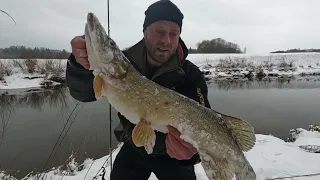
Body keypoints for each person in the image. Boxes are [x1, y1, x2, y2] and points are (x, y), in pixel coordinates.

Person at [66, 0, 211, 179]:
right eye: (159, 31)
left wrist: (191, 155)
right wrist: (78, 64)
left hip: (171, 154)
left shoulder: (191, 75)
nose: (166, 40)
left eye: (173, 34)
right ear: (145, 31)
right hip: (133, 146)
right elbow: (83, 92)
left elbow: (204, 124)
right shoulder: (121, 63)